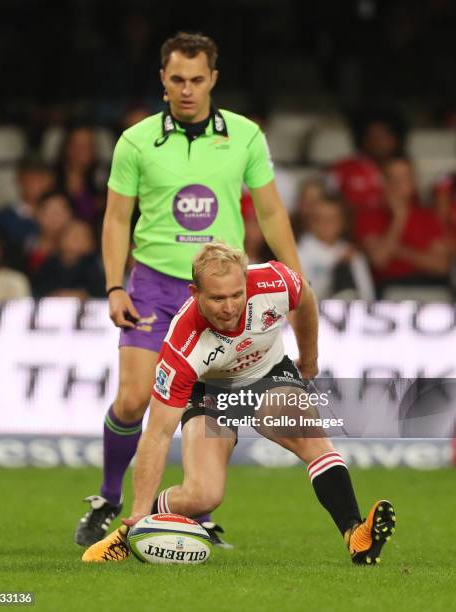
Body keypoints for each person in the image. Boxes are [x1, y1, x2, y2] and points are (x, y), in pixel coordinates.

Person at [74, 32, 303, 548]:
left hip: (219, 290)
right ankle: (110, 498)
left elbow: (270, 210)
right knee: (134, 401)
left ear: (213, 80)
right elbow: (115, 219)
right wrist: (114, 285)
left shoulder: (244, 136)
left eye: (197, 79)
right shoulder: (134, 141)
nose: (187, 89)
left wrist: (293, 272)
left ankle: (192, 507)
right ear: (162, 80)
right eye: (177, 79)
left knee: (206, 403)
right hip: (154, 284)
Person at [82, 241, 395, 565]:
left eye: (236, 294)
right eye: (217, 298)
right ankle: (130, 533)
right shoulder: (182, 347)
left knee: (313, 439)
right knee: (204, 495)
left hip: (268, 375)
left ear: (246, 282)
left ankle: (356, 535)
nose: (229, 307)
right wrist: (137, 512)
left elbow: (305, 300)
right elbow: (158, 434)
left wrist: (309, 359)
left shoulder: (275, 281)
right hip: (210, 393)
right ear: (194, 293)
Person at [356, 157, 450, 297]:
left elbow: (441, 265)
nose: (399, 183)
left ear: (413, 181)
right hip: (389, 289)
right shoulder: (368, 216)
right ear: (384, 182)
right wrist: (399, 218)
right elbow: (380, 260)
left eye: (405, 177)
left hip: (432, 287)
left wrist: (399, 250)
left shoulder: (429, 216)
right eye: (393, 178)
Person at [298, 197, 375, 301]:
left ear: (343, 222)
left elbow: (367, 294)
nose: (327, 224)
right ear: (311, 222)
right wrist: (337, 265)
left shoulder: (351, 252)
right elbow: (302, 297)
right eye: (321, 218)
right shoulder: (298, 253)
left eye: (333, 218)